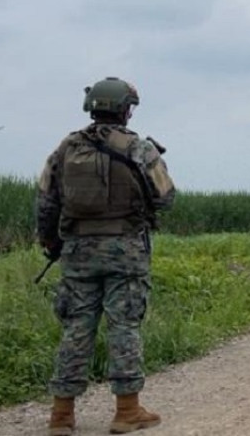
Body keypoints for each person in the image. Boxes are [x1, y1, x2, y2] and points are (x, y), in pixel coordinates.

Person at [37, 77, 175, 435]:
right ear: (126, 110)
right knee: (124, 325)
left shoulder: (67, 148)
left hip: (78, 254)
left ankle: (61, 415)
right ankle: (127, 410)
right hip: (126, 253)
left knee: (75, 329)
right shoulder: (139, 148)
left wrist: (51, 243)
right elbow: (165, 197)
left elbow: (46, 201)